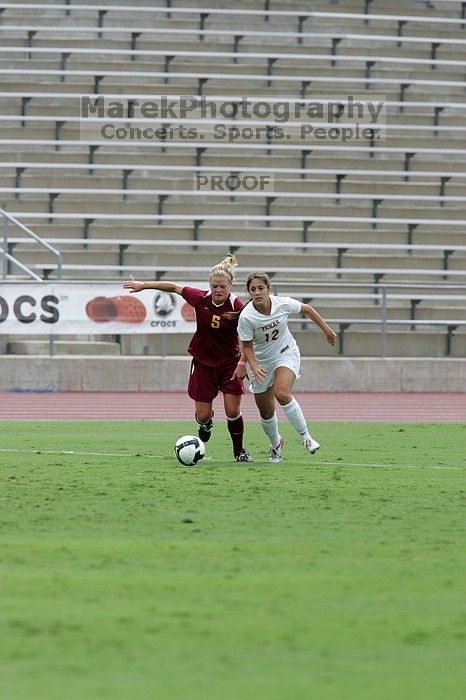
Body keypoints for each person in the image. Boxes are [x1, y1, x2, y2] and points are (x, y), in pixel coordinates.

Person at [123, 255, 253, 462]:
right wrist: (143, 285)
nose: (218, 290)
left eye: (222, 286)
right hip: (203, 363)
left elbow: (249, 338)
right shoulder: (200, 298)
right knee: (202, 414)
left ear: (230, 285)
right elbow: (174, 287)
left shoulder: (239, 307)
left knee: (232, 410)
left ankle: (239, 452)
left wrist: (243, 362)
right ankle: (205, 424)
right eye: (215, 286)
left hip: (229, 364)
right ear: (210, 285)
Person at [231, 272, 337, 463]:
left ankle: (306, 438)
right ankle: (276, 443)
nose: (257, 292)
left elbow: (308, 309)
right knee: (266, 412)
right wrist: (252, 366)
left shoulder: (282, 303)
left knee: (282, 392)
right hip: (262, 363)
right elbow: (246, 346)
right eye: (253, 289)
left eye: (261, 288)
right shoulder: (247, 317)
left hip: (285, 353)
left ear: (268, 289)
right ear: (249, 292)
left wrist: (327, 331)